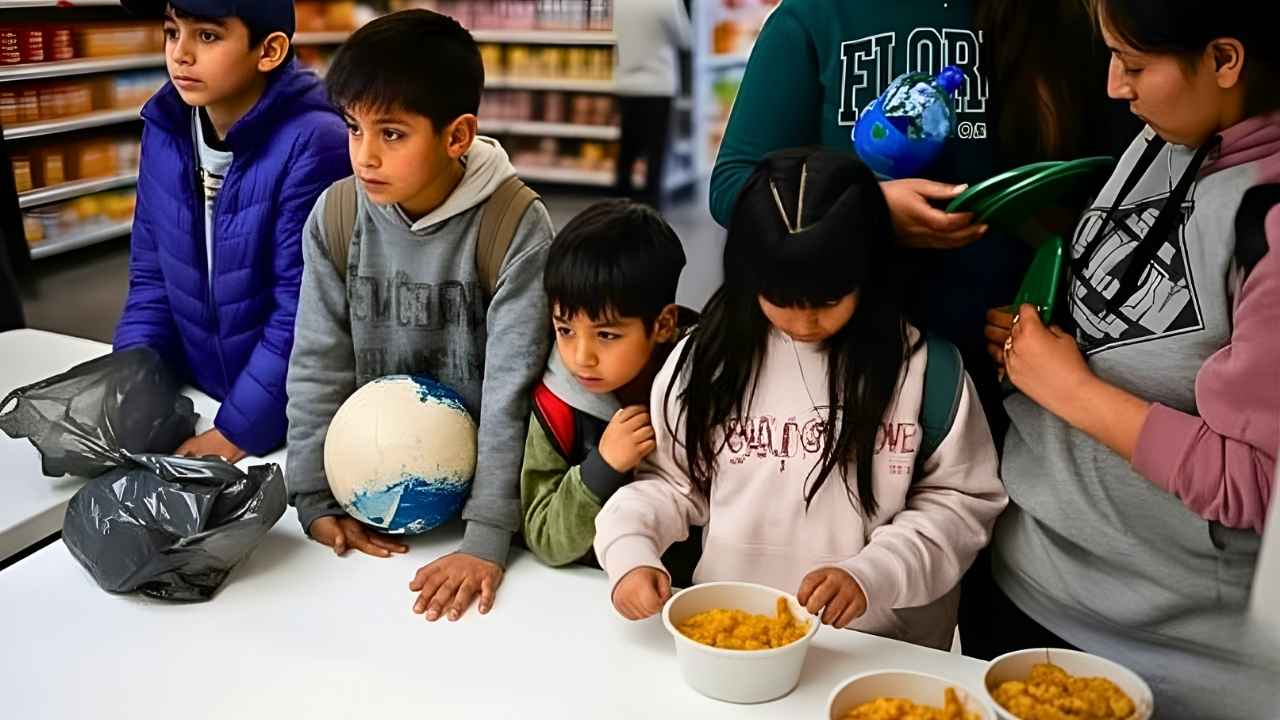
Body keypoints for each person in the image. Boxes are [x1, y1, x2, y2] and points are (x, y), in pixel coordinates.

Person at [985, 2, 1280, 716]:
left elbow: (1258, 483)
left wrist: (1070, 389)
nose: (1115, 86)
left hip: (1176, 661)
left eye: (1135, 64)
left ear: (1225, 59)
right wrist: (1041, 338)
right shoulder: (1169, 132)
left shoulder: (1265, 218)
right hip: (1028, 592)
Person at [595, 149, 1007, 649]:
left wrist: (872, 574)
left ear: (868, 272)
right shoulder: (705, 362)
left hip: (876, 648)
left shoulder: (926, 372)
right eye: (781, 300)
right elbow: (670, 482)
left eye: (829, 301)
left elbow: (959, 503)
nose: (805, 322)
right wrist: (631, 551)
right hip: (732, 636)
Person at [707, 0, 1138, 432]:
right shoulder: (817, 15)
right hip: (846, 372)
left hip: (1021, 373)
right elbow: (733, 187)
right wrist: (868, 212)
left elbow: (1116, 187)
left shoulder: (1065, 19)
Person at [284, 10, 555, 623]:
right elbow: (317, 361)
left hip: (479, 501)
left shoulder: (513, 225)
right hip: (368, 488)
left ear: (457, 136)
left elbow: (513, 390)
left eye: (392, 134)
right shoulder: (337, 215)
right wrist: (313, 495)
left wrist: (487, 536)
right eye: (354, 128)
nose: (365, 155)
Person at [113, 0, 350, 462]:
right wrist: (127, 387)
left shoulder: (314, 143)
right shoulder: (166, 128)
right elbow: (152, 280)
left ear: (269, 50)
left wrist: (237, 431)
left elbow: (303, 312)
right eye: (171, 32)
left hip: (287, 418)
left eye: (207, 36)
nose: (180, 54)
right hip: (205, 396)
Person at [520, 200, 696, 570]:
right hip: (591, 597)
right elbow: (544, 536)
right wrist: (601, 468)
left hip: (688, 593)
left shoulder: (707, 385)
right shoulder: (556, 405)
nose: (581, 356)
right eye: (565, 330)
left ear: (663, 325)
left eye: (606, 335)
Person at [612, 0, 691, 209]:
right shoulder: (667, 2)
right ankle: (651, 206)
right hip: (658, 85)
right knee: (655, 151)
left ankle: (620, 204)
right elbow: (685, 39)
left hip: (625, 82)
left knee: (627, 147)